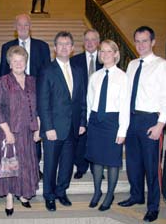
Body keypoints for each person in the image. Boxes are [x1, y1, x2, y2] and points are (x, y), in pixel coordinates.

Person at [117, 26, 166, 222]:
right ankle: (136, 195)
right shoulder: (132, 64)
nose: (141, 44)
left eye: (144, 40)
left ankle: (153, 207)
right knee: (133, 163)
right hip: (132, 119)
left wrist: (160, 124)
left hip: (150, 120)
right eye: (138, 41)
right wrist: (124, 125)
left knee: (152, 167)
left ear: (153, 42)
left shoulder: (162, 65)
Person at [37, 31, 87, 212]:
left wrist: (82, 122)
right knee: (51, 164)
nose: (64, 47)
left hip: (73, 128)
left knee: (67, 164)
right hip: (54, 129)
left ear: (73, 48)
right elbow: (42, 102)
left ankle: (61, 191)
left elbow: (82, 100)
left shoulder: (78, 71)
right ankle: (49, 195)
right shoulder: (47, 70)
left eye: (68, 44)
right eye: (60, 44)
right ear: (55, 48)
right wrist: (48, 127)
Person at [0, 13, 50, 179]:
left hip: (34, 96)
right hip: (13, 100)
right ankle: (15, 169)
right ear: (15, 27)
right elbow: (2, 74)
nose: (22, 28)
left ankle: (35, 167)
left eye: (26, 25)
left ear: (30, 26)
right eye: (19, 25)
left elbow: (46, 74)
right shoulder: (6, 46)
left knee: (33, 134)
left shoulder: (42, 46)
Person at [0, 45, 40, 216]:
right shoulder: (3, 81)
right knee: (10, 166)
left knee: (26, 164)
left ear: (26, 62)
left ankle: (24, 194)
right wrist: (7, 131)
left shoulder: (32, 81)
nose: (19, 63)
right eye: (15, 61)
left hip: (27, 130)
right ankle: (10, 197)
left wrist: (37, 128)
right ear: (10, 63)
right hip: (9, 131)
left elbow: (36, 107)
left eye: (22, 60)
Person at [85, 40, 130, 211]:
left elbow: (125, 105)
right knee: (96, 159)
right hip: (96, 120)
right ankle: (97, 191)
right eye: (101, 51)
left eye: (108, 51)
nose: (104, 54)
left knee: (112, 162)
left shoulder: (122, 77)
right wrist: (89, 122)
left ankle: (110, 194)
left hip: (113, 121)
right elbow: (90, 102)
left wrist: (122, 129)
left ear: (115, 54)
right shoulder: (95, 76)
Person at [70, 28, 103, 179]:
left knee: (97, 138)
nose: (90, 43)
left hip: (99, 106)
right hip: (81, 106)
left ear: (98, 42)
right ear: (83, 43)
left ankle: (97, 168)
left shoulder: (105, 60)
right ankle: (81, 167)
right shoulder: (74, 60)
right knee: (81, 138)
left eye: (93, 39)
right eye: (87, 40)